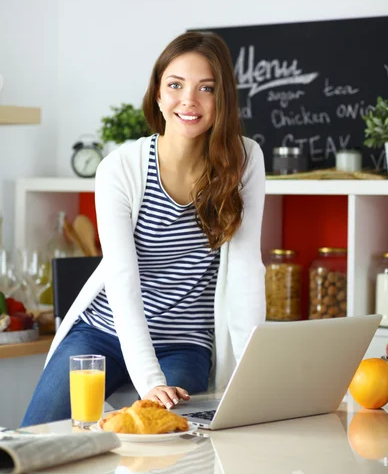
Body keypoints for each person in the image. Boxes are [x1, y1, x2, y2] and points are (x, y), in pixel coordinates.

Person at [21, 31, 266, 426]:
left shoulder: (244, 159)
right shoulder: (120, 168)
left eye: (207, 87)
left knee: (165, 443)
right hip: (102, 332)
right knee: (34, 438)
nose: (189, 100)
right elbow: (122, 278)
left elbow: (246, 271)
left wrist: (254, 373)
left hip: (183, 344)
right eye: (175, 85)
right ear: (157, 93)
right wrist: (149, 379)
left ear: (224, 98)